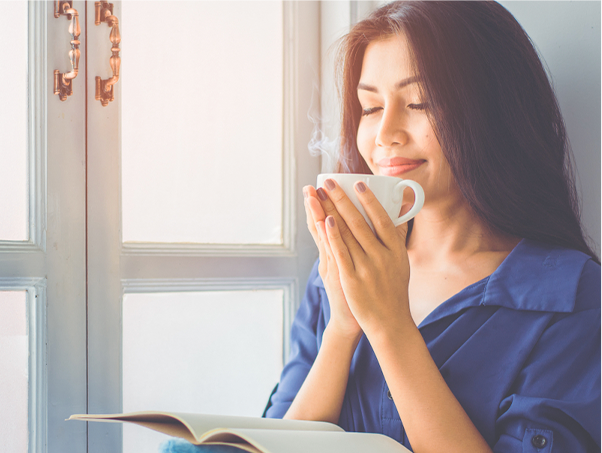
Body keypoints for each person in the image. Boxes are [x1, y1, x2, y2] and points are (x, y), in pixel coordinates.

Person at [162, 0, 602, 451]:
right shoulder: (341, 269)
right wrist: (343, 326)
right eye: (370, 107)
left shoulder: (571, 296)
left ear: (492, 113)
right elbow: (275, 439)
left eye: (420, 102)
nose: (384, 133)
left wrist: (391, 325)